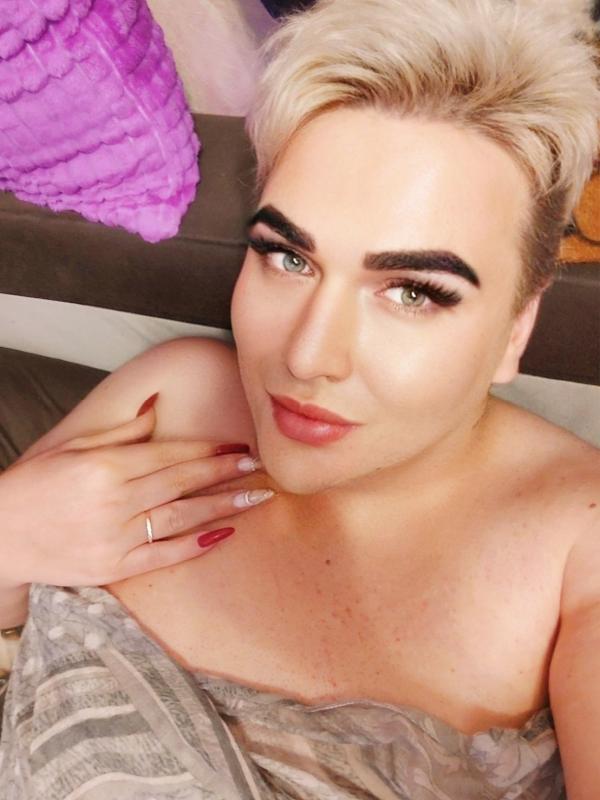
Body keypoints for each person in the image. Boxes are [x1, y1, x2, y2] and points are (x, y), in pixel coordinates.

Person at [2, 0, 600, 797]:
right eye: (288, 257)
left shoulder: (579, 543)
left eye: (414, 292)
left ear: (516, 327)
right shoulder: (172, 396)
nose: (307, 356)